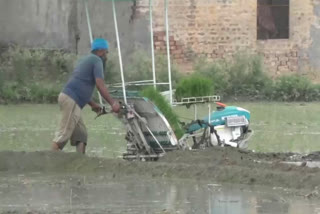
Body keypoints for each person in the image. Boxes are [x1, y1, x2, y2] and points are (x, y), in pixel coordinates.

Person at [51, 38, 120, 154]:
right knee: (63, 134)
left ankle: (81, 160)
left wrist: (93, 105)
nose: (106, 56)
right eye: (106, 52)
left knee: (81, 135)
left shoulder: (86, 60)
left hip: (71, 99)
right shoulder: (97, 60)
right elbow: (100, 84)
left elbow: (81, 85)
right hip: (71, 99)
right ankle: (49, 161)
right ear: (101, 51)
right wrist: (113, 103)